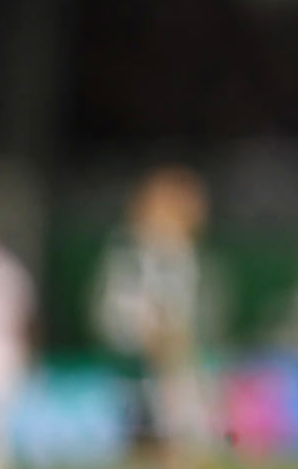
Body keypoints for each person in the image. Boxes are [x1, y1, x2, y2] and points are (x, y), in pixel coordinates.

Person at [91, 163, 219, 469]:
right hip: (155, 359)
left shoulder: (138, 249)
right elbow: (159, 312)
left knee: (152, 443)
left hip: (141, 357)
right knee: (173, 442)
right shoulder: (161, 252)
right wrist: (174, 355)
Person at [0, 204, 37, 469]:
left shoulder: (5, 269)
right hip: (3, 362)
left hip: (0, 362)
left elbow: (24, 321)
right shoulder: (9, 268)